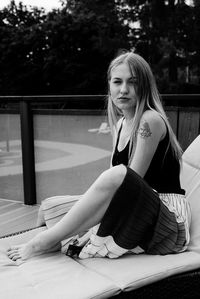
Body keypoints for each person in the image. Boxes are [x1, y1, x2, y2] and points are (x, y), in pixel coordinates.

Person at [7, 51, 191, 261]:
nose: (123, 90)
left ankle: (44, 241)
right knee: (49, 206)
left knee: (117, 175)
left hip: (166, 219)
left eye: (133, 82)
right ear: (110, 86)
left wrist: (93, 230)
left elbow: (129, 182)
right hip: (135, 205)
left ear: (145, 86)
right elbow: (114, 187)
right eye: (117, 82)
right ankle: (53, 240)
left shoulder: (150, 120)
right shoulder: (122, 123)